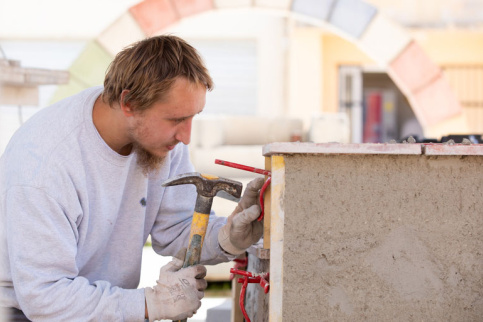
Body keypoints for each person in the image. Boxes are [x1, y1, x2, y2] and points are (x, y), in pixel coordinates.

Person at [0, 35, 264, 321]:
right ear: (129, 103)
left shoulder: (160, 142)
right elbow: (46, 298)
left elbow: (174, 229)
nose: (186, 136)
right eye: (175, 119)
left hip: (97, 307)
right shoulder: (46, 165)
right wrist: (153, 304)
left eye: (193, 117)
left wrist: (227, 238)